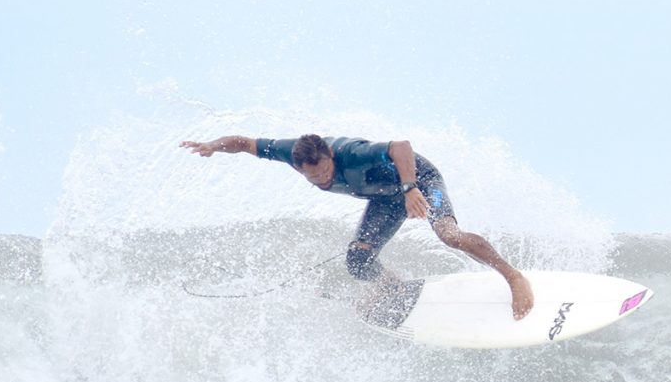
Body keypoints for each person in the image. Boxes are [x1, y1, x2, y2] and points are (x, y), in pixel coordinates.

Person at [179, 134, 534, 319]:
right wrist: (213, 145)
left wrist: (411, 189)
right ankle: (393, 289)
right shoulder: (290, 153)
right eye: (312, 178)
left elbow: (402, 146)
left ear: (332, 157)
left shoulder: (353, 152)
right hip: (384, 197)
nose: (321, 180)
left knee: (449, 235)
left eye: (325, 174)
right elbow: (244, 143)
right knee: (358, 261)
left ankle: (513, 276)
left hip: (418, 181)